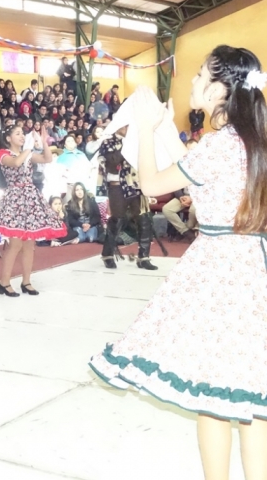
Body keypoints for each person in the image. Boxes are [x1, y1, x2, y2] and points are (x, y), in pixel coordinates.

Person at [91, 46, 267, 480]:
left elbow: (152, 185)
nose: (192, 80)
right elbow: (206, 178)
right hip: (256, 266)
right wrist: (166, 129)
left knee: (213, 394)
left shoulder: (217, 146)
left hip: (220, 270)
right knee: (254, 397)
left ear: (220, 90)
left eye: (201, 75)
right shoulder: (257, 141)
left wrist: (145, 128)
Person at [0, 125, 66, 297]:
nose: (22, 136)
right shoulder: (3, 154)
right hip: (15, 200)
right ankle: (4, 282)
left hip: (30, 198)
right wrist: (28, 148)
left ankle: (26, 281)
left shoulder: (26, 153)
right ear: (8, 138)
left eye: (23, 133)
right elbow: (15, 163)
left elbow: (47, 159)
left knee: (30, 243)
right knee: (15, 244)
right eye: (18, 133)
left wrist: (43, 142)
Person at [98, 124, 157, 271]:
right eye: (124, 125)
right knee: (118, 219)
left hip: (136, 184)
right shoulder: (108, 142)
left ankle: (144, 257)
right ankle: (108, 254)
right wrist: (127, 146)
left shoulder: (136, 142)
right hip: (117, 185)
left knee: (144, 218)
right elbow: (113, 162)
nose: (127, 128)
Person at [161, 139, 199, 242]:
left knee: (194, 210)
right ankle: (185, 232)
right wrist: (181, 197)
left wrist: (192, 198)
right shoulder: (180, 165)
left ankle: (189, 228)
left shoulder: (204, 166)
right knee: (167, 209)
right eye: (189, 150)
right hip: (183, 196)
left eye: (194, 149)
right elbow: (175, 184)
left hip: (198, 197)